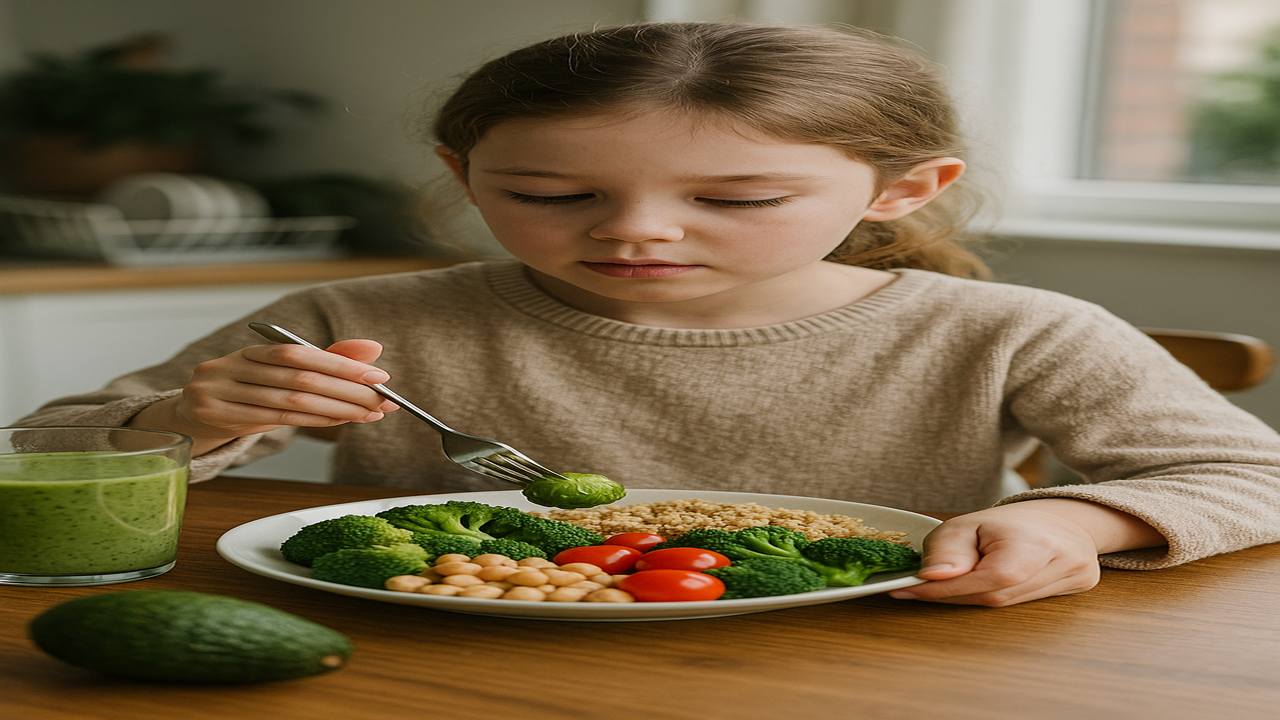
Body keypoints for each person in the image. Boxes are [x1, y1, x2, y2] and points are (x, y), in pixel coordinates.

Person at [17, 21, 1280, 607]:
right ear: (463, 180)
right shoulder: (357, 310)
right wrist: (178, 418)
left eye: (734, 196)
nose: (635, 231)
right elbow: (54, 444)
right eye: (550, 193)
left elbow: (1245, 476)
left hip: (874, 663)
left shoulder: (1009, 333)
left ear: (902, 190)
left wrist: (1074, 510)